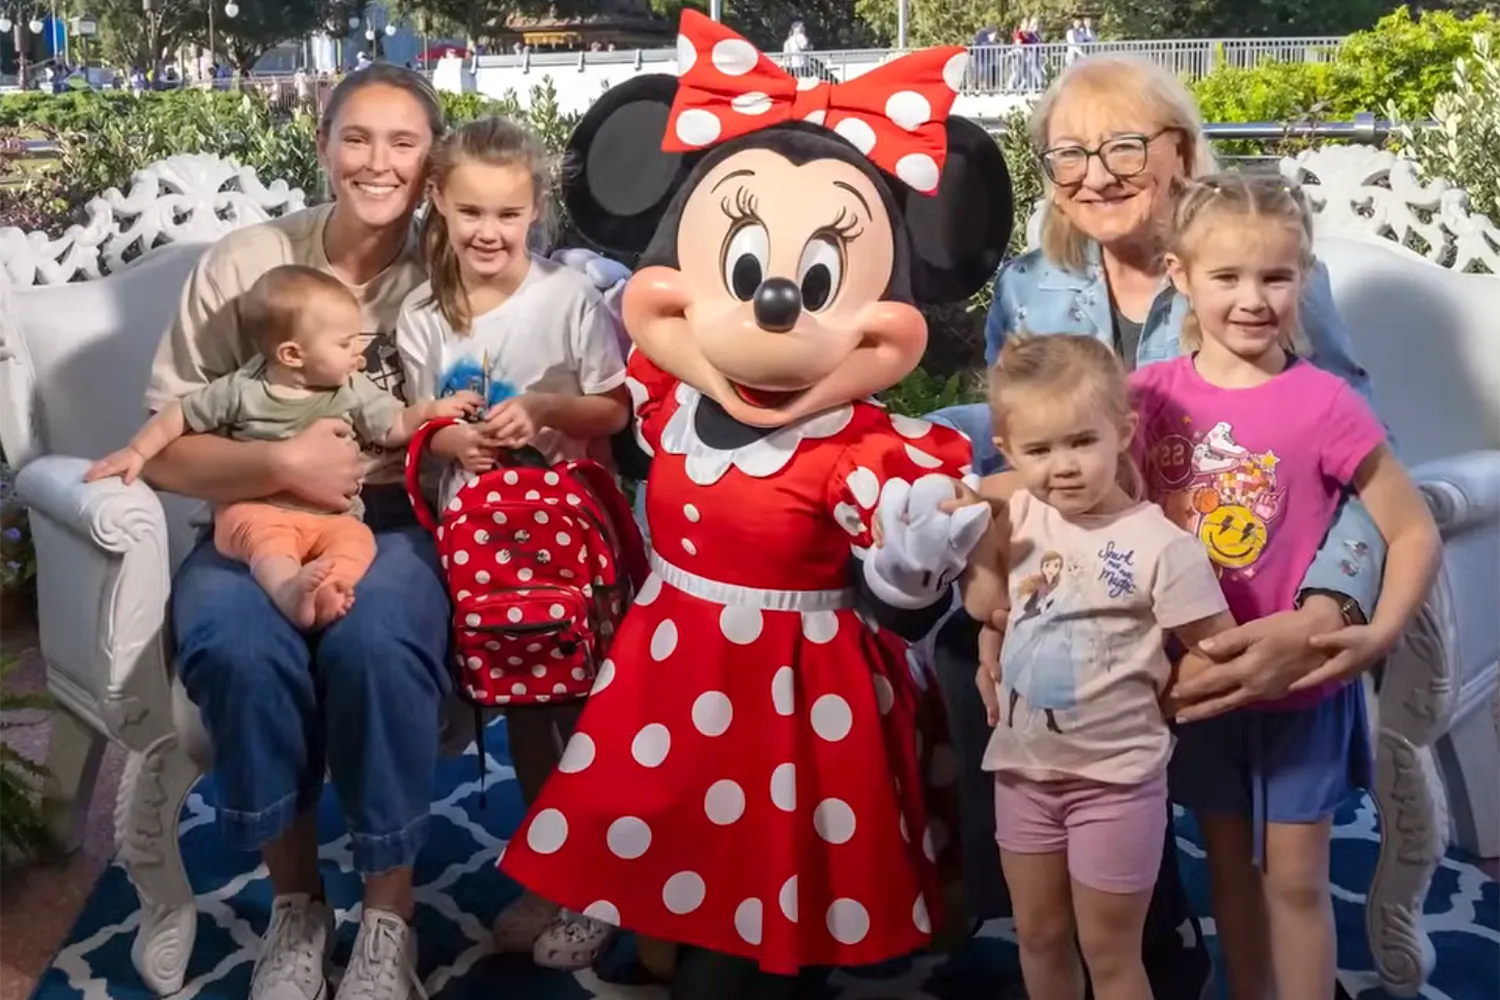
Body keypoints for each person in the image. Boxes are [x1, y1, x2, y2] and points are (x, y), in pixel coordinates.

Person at [498, 12, 1015, 998]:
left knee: (767, 911)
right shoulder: (668, 398)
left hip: (797, 706)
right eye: (746, 275)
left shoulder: (870, 449)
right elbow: (609, 411)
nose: (776, 306)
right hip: (674, 672)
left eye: (815, 283)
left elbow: (902, 598)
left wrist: (922, 547)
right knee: (675, 852)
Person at [925, 53, 1387, 1000]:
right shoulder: (1030, 284)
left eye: (1123, 146)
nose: (1095, 175)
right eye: (1068, 156)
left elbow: (1361, 457)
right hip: (1085, 570)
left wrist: (1327, 603)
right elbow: (1016, 436)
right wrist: (994, 581)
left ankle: (1159, 918)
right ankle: (1052, 900)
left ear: (1179, 152)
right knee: (964, 657)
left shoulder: (1251, 270)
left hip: (1226, 572)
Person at [141, 64, 448, 1000]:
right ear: (322, 145)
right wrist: (280, 466)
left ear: (432, 164)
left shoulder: (453, 267)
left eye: (404, 142)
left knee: (379, 642)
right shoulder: (246, 268)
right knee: (237, 644)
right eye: (356, 137)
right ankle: (296, 906)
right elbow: (165, 452)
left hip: (394, 521)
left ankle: (388, 917)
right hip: (248, 518)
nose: (378, 161)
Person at [1135, 174, 1440, 1000]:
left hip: (1302, 693)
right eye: (1227, 276)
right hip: (1201, 691)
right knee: (1226, 872)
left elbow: (1412, 529)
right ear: (1179, 275)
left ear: (1304, 277)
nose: (1252, 298)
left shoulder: (1328, 404)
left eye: (1276, 275)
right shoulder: (1145, 401)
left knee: (1297, 882)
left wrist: (1375, 636)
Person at [394, 114, 631, 969]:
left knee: (585, 707)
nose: (489, 231)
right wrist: (449, 442)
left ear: (534, 211)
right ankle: (552, 869)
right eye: (470, 213)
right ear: (440, 207)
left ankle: (603, 877)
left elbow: (614, 409)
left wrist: (543, 410)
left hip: (569, 542)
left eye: (507, 213)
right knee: (527, 703)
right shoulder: (424, 320)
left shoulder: (567, 300)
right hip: (480, 550)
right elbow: (424, 434)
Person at [955, 333, 1235, 1000]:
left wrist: (1166, 696)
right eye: (1039, 449)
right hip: (1022, 773)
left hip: (1114, 783)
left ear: (1123, 431)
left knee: (1110, 953)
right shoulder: (1017, 514)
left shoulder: (1163, 548)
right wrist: (973, 544)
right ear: (1008, 446)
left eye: (1082, 441)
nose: (1064, 467)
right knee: (1038, 938)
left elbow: (1217, 649)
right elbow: (985, 607)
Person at [89, 266, 477, 630]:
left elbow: (393, 424)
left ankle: (328, 590)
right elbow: (179, 416)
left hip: (332, 517)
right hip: (258, 508)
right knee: (266, 542)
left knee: (357, 543)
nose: (357, 354)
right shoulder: (243, 389)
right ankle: (287, 590)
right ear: (292, 354)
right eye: (344, 344)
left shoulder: (350, 388)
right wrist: (137, 452)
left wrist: (432, 410)